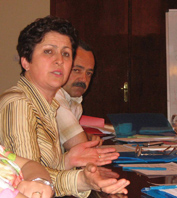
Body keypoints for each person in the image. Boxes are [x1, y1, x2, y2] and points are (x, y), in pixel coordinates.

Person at [0, 15, 129, 197]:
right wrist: (81, 180)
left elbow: (40, 169)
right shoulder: (19, 103)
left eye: (66, 53)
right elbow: (29, 180)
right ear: (25, 62)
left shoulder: (48, 104)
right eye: (48, 52)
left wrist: (67, 160)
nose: (60, 60)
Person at [56, 40, 102, 151]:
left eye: (89, 73)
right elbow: (81, 150)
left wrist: (86, 136)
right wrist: (83, 139)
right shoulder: (54, 97)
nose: (84, 79)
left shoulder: (75, 102)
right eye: (76, 70)